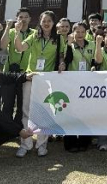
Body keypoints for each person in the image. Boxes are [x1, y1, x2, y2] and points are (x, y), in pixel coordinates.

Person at [14, 10, 66, 158]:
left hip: (47, 79)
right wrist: (17, 32)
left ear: (53, 23)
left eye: (49, 21)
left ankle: (42, 144)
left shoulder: (59, 38)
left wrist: (62, 63)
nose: (46, 23)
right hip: (31, 77)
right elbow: (19, 48)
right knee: (26, 111)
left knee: (45, 111)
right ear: (40, 22)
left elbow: (61, 55)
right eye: (44, 21)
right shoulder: (34, 36)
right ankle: (26, 144)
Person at [63, 21, 95, 152]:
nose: (80, 34)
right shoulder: (68, 44)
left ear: (86, 32)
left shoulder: (92, 44)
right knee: (70, 112)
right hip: (72, 82)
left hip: (87, 82)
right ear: (73, 32)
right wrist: (69, 45)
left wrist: (94, 66)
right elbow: (67, 60)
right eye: (77, 32)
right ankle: (70, 142)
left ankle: (84, 141)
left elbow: (95, 60)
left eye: (83, 32)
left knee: (85, 112)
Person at [0, 7, 35, 124]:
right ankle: (6, 128)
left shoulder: (34, 33)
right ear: (16, 19)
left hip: (26, 72)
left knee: (22, 103)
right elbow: (3, 46)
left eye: (26, 17)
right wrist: (8, 27)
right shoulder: (11, 31)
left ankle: (19, 127)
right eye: (20, 17)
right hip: (10, 71)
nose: (23, 19)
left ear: (30, 19)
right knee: (7, 103)